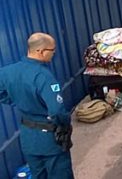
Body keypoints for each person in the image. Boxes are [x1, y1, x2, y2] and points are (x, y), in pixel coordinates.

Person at [0, 33, 74, 179]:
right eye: (52, 50)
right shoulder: (44, 77)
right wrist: (65, 123)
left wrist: (17, 101)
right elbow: (57, 111)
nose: (54, 54)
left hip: (29, 139)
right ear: (40, 51)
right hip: (51, 141)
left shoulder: (7, 72)